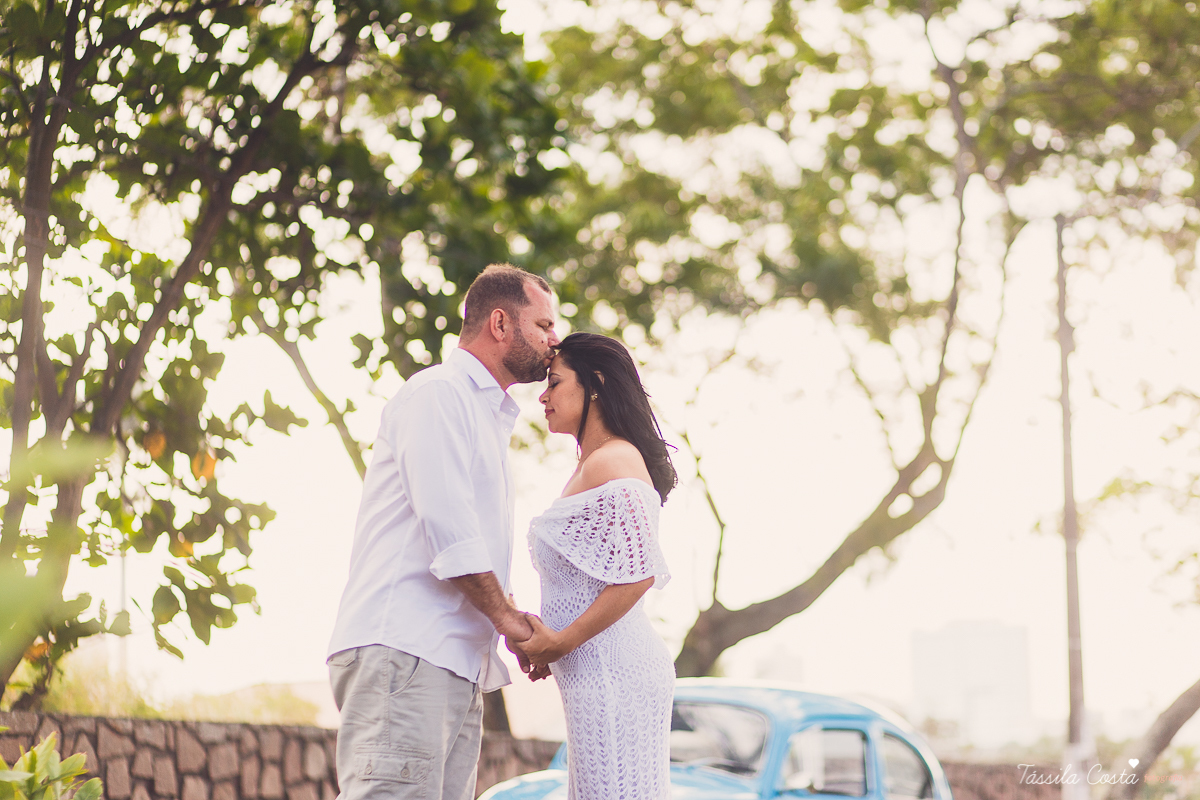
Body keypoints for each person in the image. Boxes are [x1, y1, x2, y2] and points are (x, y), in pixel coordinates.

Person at [326, 263, 559, 800]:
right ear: (500, 323)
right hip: (407, 654)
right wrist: (507, 620)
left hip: (452, 665)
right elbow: (449, 532)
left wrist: (506, 618)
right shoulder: (439, 394)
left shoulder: (486, 414)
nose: (554, 340)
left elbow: (470, 544)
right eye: (543, 325)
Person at [519, 332, 678, 800]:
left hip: (615, 676)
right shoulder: (593, 464)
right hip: (594, 676)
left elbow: (640, 572)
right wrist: (545, 642)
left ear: (596, 384)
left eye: (553, 381)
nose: (543, 396)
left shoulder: (615, 460)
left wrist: (561, 642)